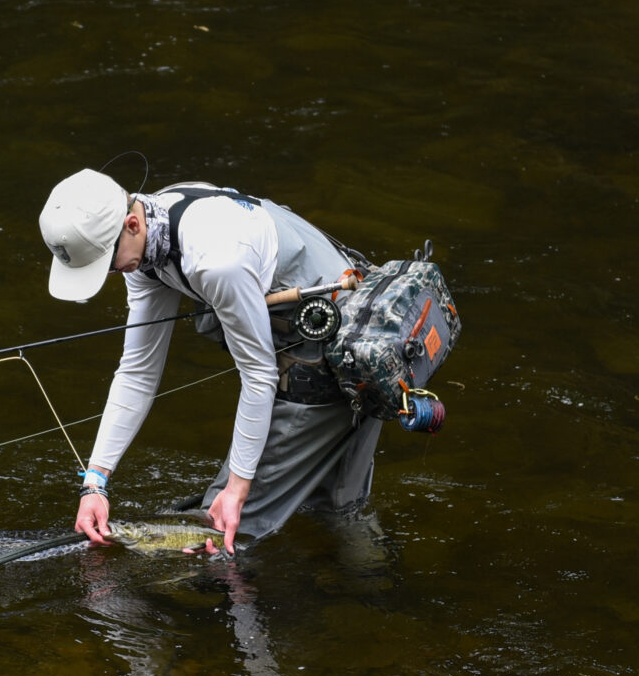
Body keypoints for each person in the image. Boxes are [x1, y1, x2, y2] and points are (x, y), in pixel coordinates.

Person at [37, 168, 384, 556]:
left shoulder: (215, 259)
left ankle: (360, 590)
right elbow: (137, 372)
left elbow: (257, 374)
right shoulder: (148, 232)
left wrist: (237, 489)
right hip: (340, 346)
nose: (113, 275)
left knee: (213, 538)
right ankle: (370, 589)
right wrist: (95, 483)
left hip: (339, 358)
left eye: (107, 265)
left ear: (131, 223)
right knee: (337, 507)